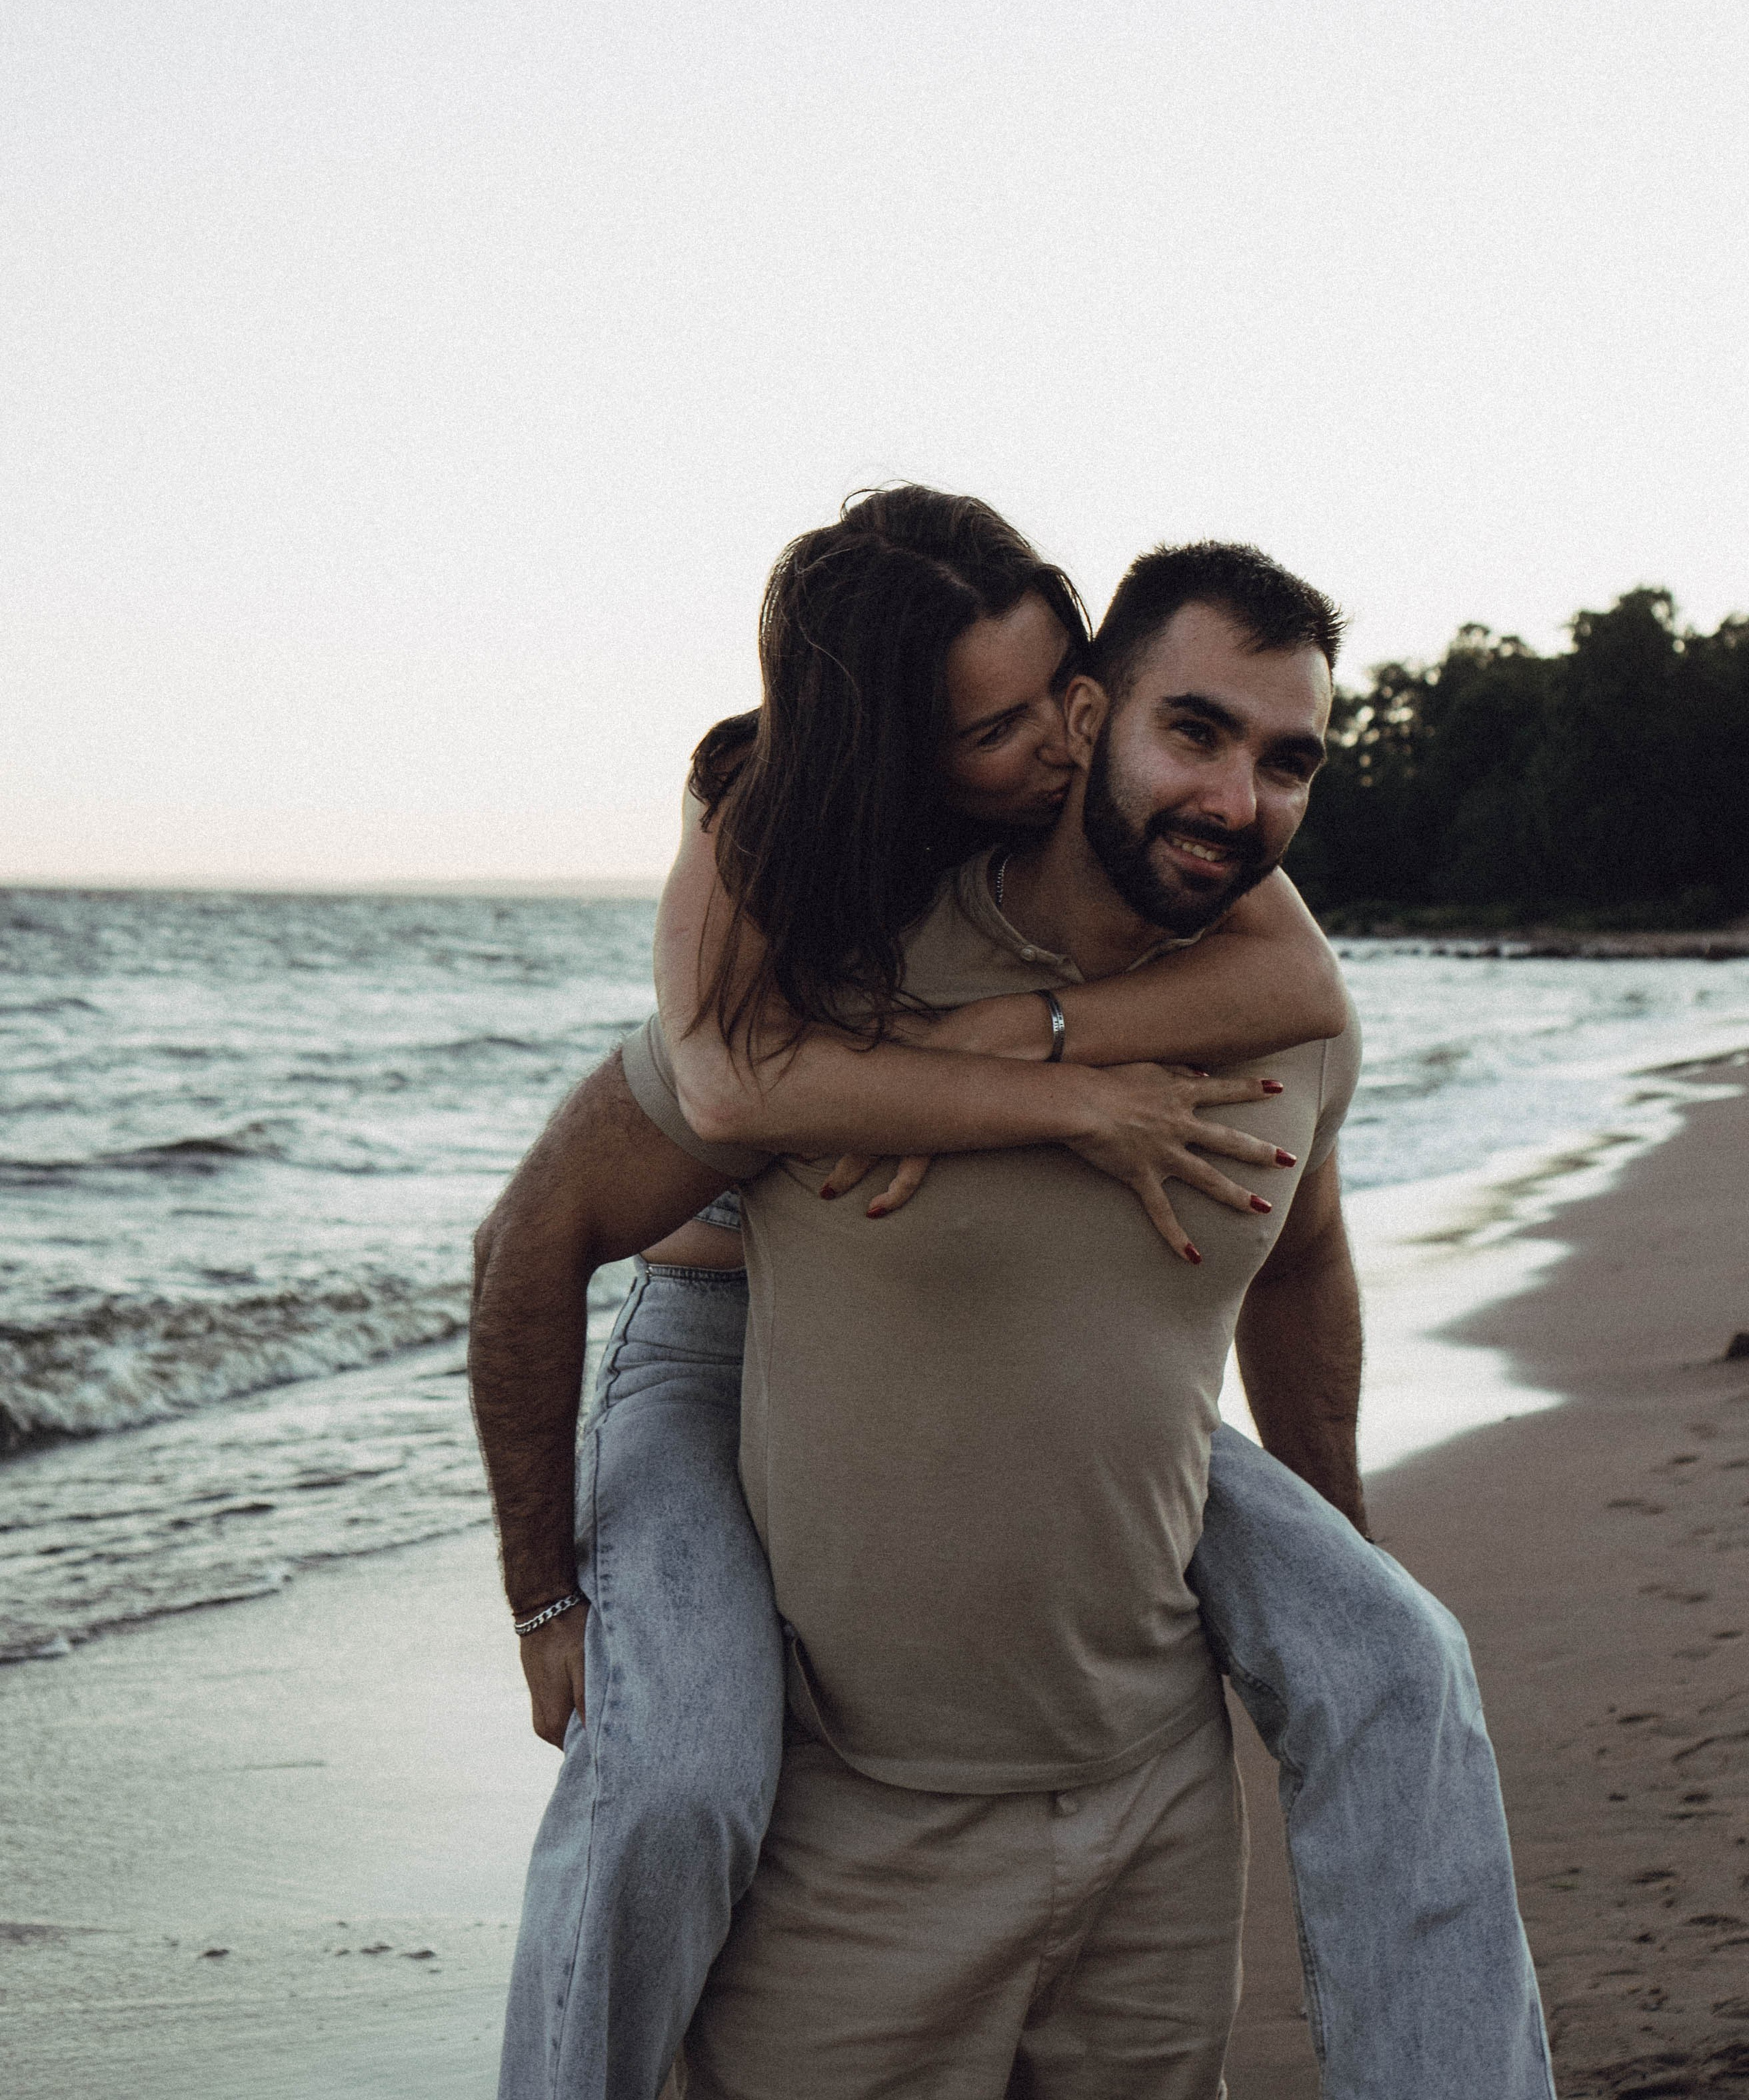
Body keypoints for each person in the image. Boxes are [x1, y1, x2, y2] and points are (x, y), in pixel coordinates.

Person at [471, 493, 1553, 2100]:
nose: (1232, 795)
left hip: (1149, 1823)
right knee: (671, 1780)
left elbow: (1304, 1245)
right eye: (1189, 730)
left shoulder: (1275, 989)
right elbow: (573, 1205)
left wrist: (1323, 1530)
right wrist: (546, 1594)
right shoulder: (828, 957)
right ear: (1090, 717)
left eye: (1285, 760)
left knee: (1394, 1656)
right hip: (825, 1685)